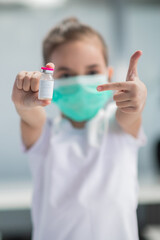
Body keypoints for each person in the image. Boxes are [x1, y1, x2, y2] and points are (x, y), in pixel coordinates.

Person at [11, 18, 147, 240]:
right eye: (65, 75)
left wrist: (136, 99)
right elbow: (31, 118)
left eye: (92, 71)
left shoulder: (117, 126)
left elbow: (130, 115)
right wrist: (22, 104)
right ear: (49, 81)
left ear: (109, 74)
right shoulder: (45, 135)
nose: (81, 81)